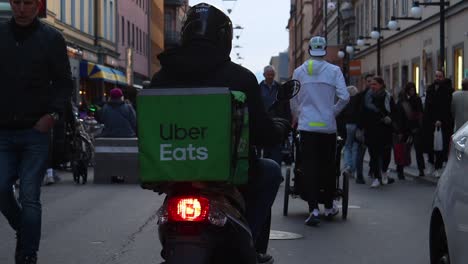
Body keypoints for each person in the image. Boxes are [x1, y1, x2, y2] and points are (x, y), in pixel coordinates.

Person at [149, 3, 289, 263]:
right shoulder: (241, 78)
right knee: (270, 171)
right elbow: (262, 133)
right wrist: (278, 129)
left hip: (175, 172)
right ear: (224, 38)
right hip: (229, 176)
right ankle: (253, 244)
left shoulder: (161, 78)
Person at [0, 1, 73, 263]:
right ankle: (25, 230)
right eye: (16, 2)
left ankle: (27, 254)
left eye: (27, 3)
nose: (21, 8)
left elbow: (65, 82)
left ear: (38, 5)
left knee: (30, 195)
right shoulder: (1, 34)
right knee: (1, 188)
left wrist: (52, 115)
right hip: (3, 130)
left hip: (36, 130)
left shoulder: (51, 38)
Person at [290, 36, 350, 226]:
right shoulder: (334, 71)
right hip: (327, 127)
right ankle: (330, 205)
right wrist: (332, 112)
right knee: (328, 167)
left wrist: (298, 114)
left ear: (309, 50)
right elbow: (345, 97)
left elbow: (293, 98)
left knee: (309, 168)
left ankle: (313, 208)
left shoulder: (299, 71)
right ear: (324, 50)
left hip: (307, 127)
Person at [361, 76, 395, 188]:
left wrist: (390, 118)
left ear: (381, 85)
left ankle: (384, 172)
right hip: (372, 130)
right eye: (371, 84)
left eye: (374, 84)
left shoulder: (388, 97)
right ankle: (376, 177)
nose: (372, 86)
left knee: (386, 154)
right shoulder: (368, 98)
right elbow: (364, 113)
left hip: (385, 130)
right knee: (374, 155)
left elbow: (394, 111)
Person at [258, 65, 292, 165]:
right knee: (266, 146)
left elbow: (286, 104)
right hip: (265, 121)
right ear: (264, 75)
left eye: (272, 75)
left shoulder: (280, 87)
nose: (270, 77)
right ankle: (267, 167)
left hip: (278, 121)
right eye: (268, 75)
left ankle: (276, 167)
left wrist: (288, 121)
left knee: (277, 146)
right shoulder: (259, 88)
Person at [423, 70, 453, 177]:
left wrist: (440, 119)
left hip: (442, 122)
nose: (438, 78)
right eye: (436, 76)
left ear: (443, 77)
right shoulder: (430, 89)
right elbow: (427, 107)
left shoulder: (448, 90)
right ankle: (431, 164)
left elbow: (446, 107)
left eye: (440, 76)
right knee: (430, 145)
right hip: (430, 122)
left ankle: (438, 167)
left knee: (440, 146)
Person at [394, 82, 425, 179]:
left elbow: (420, 113)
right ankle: (400, 170)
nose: (412, 91)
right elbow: (399, 117)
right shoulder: (403, 102)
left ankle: (420, 169)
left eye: (413, 89)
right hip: (405, 128)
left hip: (413, 128)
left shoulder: (415, 99)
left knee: (417, 149)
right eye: (410, 90)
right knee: (403, 150)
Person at [355, 74, 374, 184]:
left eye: (372, 81)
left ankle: (374, 172)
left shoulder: (376, 96)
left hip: (373, 128)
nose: (370, 83)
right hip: (363, 128)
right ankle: (360, 175)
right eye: (368, 81)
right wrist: (359, 127)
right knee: (360, 153)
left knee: (374, 153)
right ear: (365, 82)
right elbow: (358, 112)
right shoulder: (361, 96)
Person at [341, 85, 360, 182]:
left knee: (348, 146)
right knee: (355, 147)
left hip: (348, 125)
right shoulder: (359, 101)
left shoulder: (345, 102)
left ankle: (348, 165)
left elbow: (341, 114)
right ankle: (354, 168)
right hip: (357, 125)